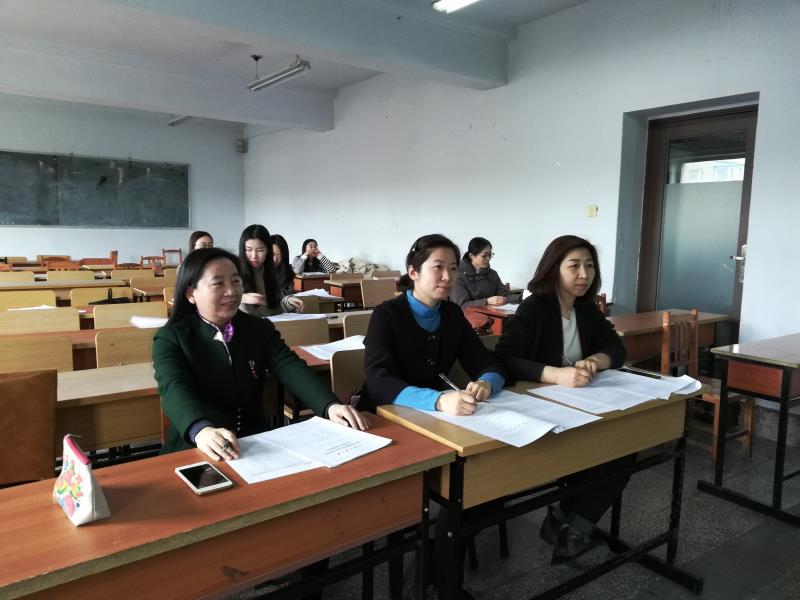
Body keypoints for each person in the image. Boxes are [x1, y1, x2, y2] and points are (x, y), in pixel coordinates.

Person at [153, 247, 368, 460]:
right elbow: (174, 388)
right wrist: (201, 430)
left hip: (256, 443)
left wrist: (329, 405)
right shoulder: (171, 338)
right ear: (191, 293)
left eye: (236, 281)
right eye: (218, 283)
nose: (231, 291)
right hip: (197, 446)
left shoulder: (257, 328)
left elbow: (289, 367)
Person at [496, 234, 628, 566]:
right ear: (554, 269)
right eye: (574, 266)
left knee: (624, 448)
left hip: (579, 407)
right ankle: (567, 528)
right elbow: (506, 358)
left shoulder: (585, 308)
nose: (584, 274)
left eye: (590, 266)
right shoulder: (534, 308)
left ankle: (566, 525)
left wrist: (596, 360)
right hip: (538, 410)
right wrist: (555, 374)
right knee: (602, 455)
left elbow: (617, 348)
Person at [361, 233, 505, 415]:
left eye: (453, 268)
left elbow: (485, 362)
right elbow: (379, 381)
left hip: (433, 417)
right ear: (413, 272)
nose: (448, 276)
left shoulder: (452, 314)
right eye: (438, 267)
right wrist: (437, 401)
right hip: (383, 414)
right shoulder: (386, 315)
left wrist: (486, 382)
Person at [238, 224, 303, 316]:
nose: (254, 256)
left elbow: (275, 304)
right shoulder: (235, 272)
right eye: (248, 250)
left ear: (268, 250)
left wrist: (288, 301)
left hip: (272, 322)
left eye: (260, 250)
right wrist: (242, 298)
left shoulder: (269, 271)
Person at [451, 236, 511, 309]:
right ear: (472, 256)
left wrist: (520, 297)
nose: (488, 258)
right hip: (467, 315)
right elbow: (462, 305)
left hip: (491, 313)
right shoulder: (458, 275)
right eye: (484, 255)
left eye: (490, 255)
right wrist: (487, 301)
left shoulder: (493, 274)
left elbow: (504, 295)